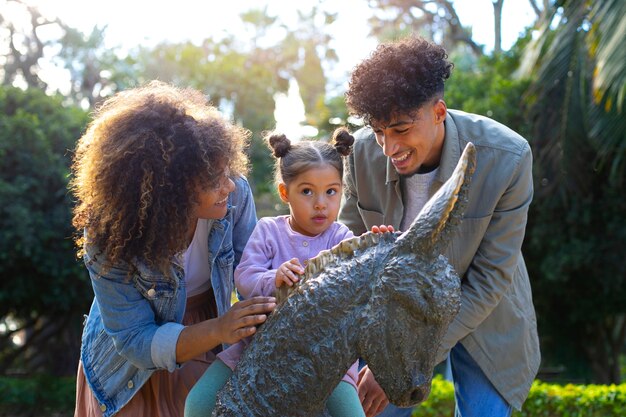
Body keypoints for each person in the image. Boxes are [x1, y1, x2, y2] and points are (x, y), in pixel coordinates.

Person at [338, 35, 541, 417]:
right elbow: (346, 251)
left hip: (483, 315)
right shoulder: (361, 152)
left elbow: (492, 278)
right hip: (392, 321)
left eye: (400, 129)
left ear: (438, 112)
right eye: (379, 130)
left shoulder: (509, 157)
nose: (388, 147)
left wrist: (404, 359)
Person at [70, 80, 276, 417]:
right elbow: (135, 339)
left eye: (227, 171)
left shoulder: (234, 194)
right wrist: (220, 329)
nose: (228, 185)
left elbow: (253, 268)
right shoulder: (109, 236)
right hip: (128, 370)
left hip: (209, 336)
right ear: (170, 190)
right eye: (213, 180)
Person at [185, 130, 390, 417]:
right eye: (307, 191)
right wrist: (274, 278)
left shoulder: (341, 237)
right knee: (198, 403)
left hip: (324, 353)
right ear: (285, 193)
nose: (321, 203)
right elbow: (244, 277)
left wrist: (378, 247)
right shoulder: (270, 230)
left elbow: (360, 287)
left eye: (331, 191)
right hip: (258, 346)